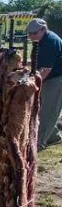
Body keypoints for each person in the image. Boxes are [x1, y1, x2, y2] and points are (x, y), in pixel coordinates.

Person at [27, 18, 62, 149]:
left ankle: (39, 143)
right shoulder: (40, 40)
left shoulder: (50, 42)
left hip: (57, 79)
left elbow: (46, 69)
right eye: (29, 34)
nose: (31, 36)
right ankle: (53, 136)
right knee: (41, 107)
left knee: (48, 110)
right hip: (49, 77)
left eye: (34, 33)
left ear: (43, 29)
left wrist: (34, 85)